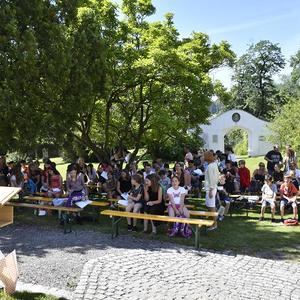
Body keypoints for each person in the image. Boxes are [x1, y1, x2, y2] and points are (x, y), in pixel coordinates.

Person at [204, 151, 219, 230]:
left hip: (211, 189)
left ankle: (214, 224)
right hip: (213, 188)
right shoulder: (214, 164)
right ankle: (212, 222)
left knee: (211, 207)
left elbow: (212, 179)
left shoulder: (210, 166)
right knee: (209, 206)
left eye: (205, 155)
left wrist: (210, 190)